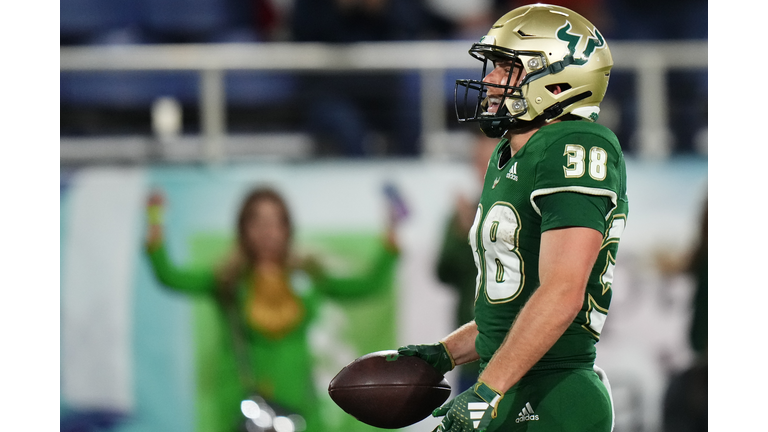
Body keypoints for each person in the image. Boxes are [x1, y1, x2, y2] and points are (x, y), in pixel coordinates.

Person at [398, 4, 628, 431]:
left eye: (506, 69)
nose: (488, 79)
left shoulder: (573, 145)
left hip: (555, 396)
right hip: (517, 387)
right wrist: (446, 352)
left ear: (558, 80)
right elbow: (513, 312)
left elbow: (562, 293)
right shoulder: (509, 155)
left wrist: (487, 391)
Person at [144, 186, 400, 432]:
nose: (267, 231)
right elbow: (170, 277)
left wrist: (392, 236)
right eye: (257, 222)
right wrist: (155, 222)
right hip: (245, 408)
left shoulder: (306, 276)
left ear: (287, 228)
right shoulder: (229, 280)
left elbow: (367, 285)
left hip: (301, 406)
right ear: (244, 229)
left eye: (276, 221)